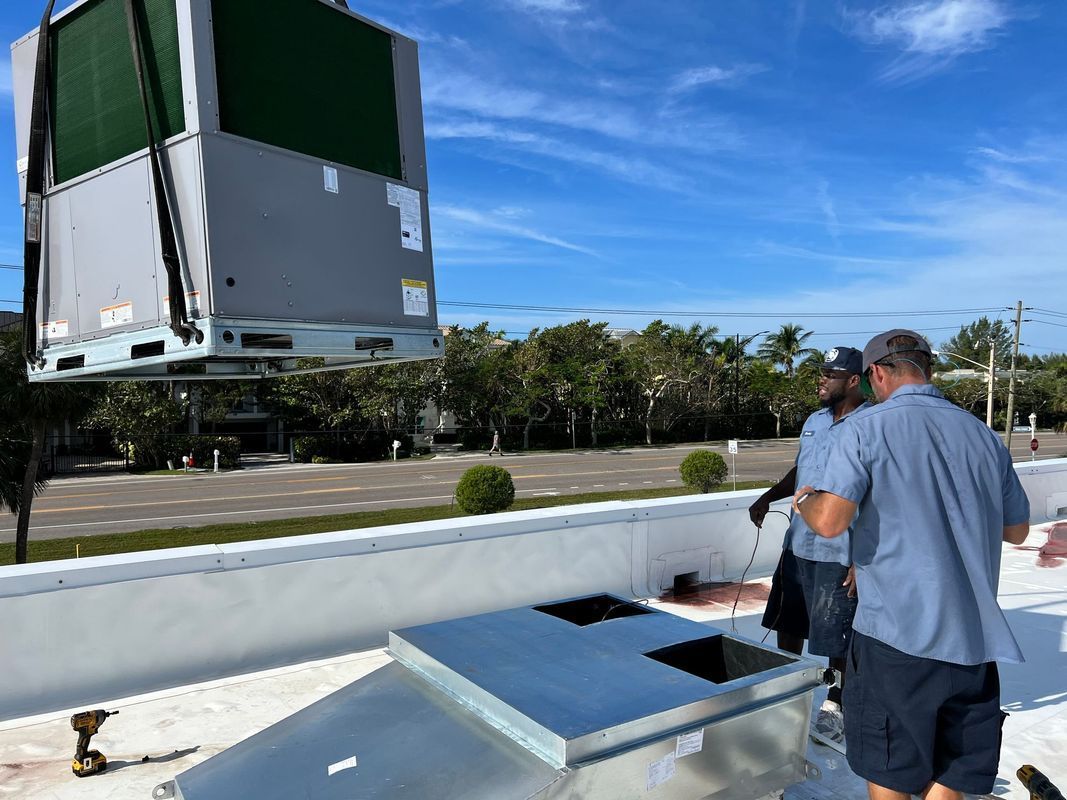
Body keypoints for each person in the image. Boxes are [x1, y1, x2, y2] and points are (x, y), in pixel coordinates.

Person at [793, 329, 1030, 800]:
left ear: (877, 373)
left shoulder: (864, 428)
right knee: (951, 773)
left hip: (895, 641)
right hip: (973, 641)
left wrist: (805, 501)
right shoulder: (981, 434)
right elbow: (1017, 530)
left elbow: (831, 522)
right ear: (928, 370)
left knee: (891, 772)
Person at [748, 346, 869, 747]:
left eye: (830, 375)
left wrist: (863, 559)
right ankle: (789, 690)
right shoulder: (815, 421)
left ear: (854, 381)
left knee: (838, 637)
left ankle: (836, 704)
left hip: (840, 551)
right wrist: (768, 496)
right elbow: (802, 469)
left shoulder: (872, 424)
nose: (821, 380)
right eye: (821, 373)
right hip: (798, 544)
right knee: (788, 623)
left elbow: (880, 494)